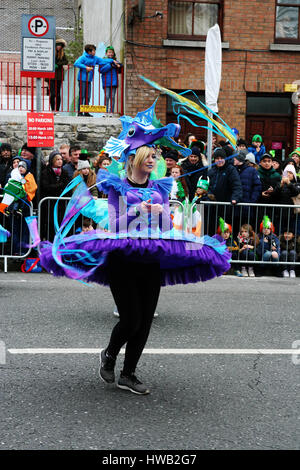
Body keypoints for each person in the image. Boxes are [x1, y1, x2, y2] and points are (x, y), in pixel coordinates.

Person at [40, 142, 231, 395]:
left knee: (144, 323)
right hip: (122, 260)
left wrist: (161, 212)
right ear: (134, 159)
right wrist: (136, 210)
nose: (152, 161)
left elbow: (164, 228)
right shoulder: (117, 186)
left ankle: (128, 374)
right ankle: (109, 354)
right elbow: (116, 227)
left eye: (154, 156)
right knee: (130, 320)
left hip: (151, 260)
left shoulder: (160, 186)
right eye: (147, 156)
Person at [74, 44, 115, 116]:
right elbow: (76, 63)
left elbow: (102, 61)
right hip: (82, 79)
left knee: (88, 96)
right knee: (82, 96)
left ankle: (86, 112)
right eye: (93, 50)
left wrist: (112, 61)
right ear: (89, 51)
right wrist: (85, 67)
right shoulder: (83, 57)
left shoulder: (95, 58)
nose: (95, 52)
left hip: (89, 79)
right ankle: (80, 112)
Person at [40, 150, 71, 242]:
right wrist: (60, 185)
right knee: (50, 225)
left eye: (61, 159)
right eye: (57, 159)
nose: (60, 161)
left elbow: (67, 186)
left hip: (61, 205)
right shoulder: (46, 172)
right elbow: (46, 187)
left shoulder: (64, 172)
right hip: (50, 204)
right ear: (52, 160)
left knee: (61, 224)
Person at [272, 164, 300, 233]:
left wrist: (289, 184)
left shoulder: (297, 184)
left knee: (292, 233)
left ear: (294, 175)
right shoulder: (279, 184)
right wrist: (280, 186)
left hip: (293, 215)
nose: (288, 174)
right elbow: (275, 195)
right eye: (286, 173)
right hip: (280, 214)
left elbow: (296, 192)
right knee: (280, 233)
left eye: (290, 173)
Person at [48, 39, 68, 113]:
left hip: (59, 76)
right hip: (51, 75)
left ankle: (57, 110)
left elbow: (66, 61)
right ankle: (52, 109)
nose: (58, 47)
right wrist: (53, 65)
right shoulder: (51, 52)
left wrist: (58, 64)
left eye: (60, 46)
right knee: (52, 93)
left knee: (58, 94)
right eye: (58, 45)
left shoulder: (62, 54)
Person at [101, 46, 122, 114]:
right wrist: (111, 65)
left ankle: (111, 112)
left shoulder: (115, 61)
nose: (110, 54)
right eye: (109, 52)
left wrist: (118, 66)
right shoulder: (103, 60)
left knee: (112, 97)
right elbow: (101, 70)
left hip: (114, 82)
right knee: (107, 96)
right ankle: (105, 111)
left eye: (112, 52)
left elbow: (120, 69)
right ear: (106, 53)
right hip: (106, 81)